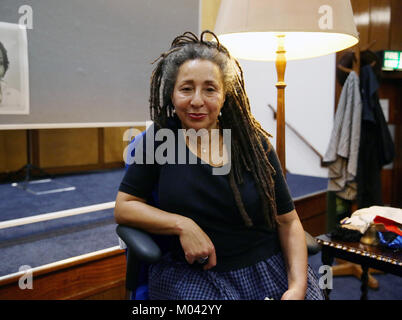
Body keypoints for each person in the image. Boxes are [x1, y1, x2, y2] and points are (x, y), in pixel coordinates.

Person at [114, 31, 324, 300]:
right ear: (172, 93)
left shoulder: (253, 143)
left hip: (266, 269)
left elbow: (288, 221)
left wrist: (296, 287)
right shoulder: (159, 139)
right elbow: (125, 206)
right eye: (186, 88)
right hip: (191, 275)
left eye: (210, 89)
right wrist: (182, 225)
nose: (197, 100)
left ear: (226, 94)